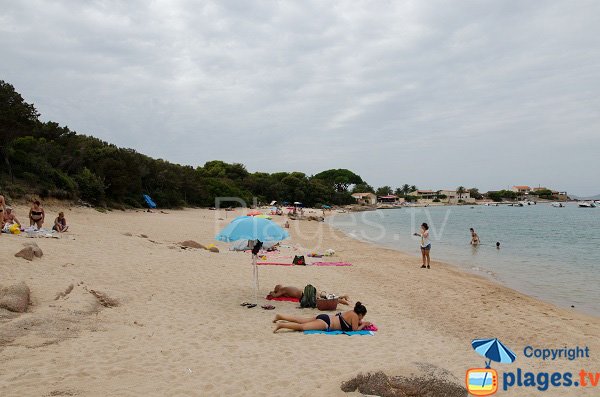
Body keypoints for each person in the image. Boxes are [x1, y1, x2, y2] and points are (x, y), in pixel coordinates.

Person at [273, 302, 370, 333]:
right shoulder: (355, 316)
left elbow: (347, 321)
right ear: (360, 314)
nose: (361, 319)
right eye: (362, 317)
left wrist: (361, 322)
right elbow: (355, 330)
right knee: (302, 327)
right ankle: (281, 325)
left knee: (300, 320)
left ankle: (280, 316)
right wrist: (364, 324)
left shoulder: (351, 312)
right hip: (326, 323)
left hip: (325, 317)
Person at [269, 284, 351, 305]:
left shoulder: (283, 290)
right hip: (307, 290)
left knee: (324, 300)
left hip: (306, 294)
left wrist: (272, 293)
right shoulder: (286, 288)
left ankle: (340, 301)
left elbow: (274, 296)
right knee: (325, 296)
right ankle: (343, 296)